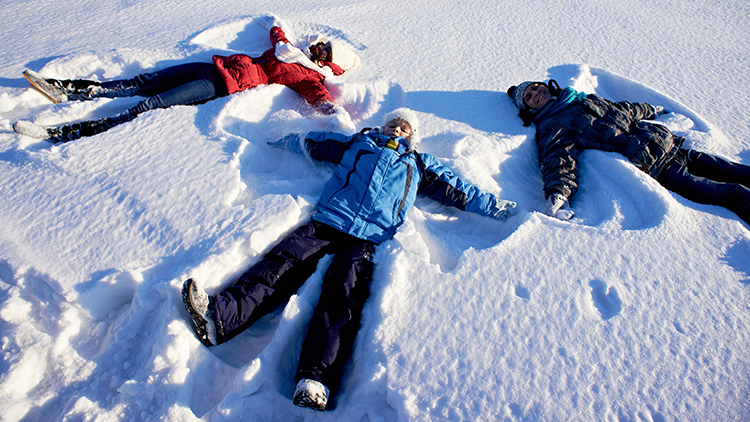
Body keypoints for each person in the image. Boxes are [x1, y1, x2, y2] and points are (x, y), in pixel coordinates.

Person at [181, 108, 517, 411]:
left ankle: (315, 380)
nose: (397, 129)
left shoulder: (416, 164)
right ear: (383, 126)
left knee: (342, 298)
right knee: (282, 263)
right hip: (329, 220)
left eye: (404, 128)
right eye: (393, 124)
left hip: (368, 239)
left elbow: (460, 190)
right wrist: (280, 139)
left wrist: (497, 208)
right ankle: (220, 316)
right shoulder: (359, 143)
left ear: (412, 136)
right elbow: (315, 143)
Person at [13, 15, 360, 143]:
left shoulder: (308, 77)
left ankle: (69, 132)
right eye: (323, 42)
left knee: (150, 105)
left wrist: (336, 115)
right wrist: (273, 22)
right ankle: (70, 92)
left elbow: (320, 99)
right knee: (143, 81)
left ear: (329, 63)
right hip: (213, 67)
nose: (318, 44)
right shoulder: (289, 50)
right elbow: (277, 34)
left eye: (325, 49)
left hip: (222, 85)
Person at [507, 79, 750, 225]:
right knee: (729, 193)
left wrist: (650, 109)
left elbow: (623, 110)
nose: (535, 94)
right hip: (659, 167)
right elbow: (559, 159)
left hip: (668, 143)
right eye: (529, 97)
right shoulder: (553, 125)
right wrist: (559, 194)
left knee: (736, 171)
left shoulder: (579, 98)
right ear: (528, 108)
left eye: (535, 88)